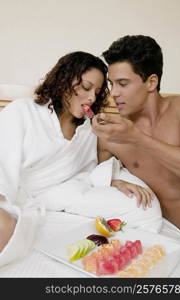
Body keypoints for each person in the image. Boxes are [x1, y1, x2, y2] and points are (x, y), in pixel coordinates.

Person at [0, 50, 158, 270]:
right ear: (63, 80)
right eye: (85, 87)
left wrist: (111, 181)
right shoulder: (22, 111)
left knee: (143, 207)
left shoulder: (86, 129)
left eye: (97, 91)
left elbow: (86, 170)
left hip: (61, 194)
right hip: (18, 195)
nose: (92, 98)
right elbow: (3, 165)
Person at [92, 35, 180, 233]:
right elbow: (97, 184)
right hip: (163, 234)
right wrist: (113, 181)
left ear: (151, 82)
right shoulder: (110, 136)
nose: (114, 93)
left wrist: (137, 138)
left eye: (123, 84)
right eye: (111, 84)